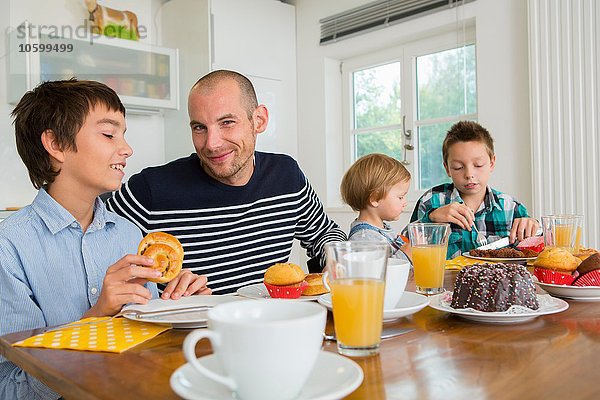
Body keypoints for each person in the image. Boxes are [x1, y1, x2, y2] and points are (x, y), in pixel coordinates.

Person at [0, 79, 209, 399]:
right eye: (109, 134)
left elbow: (146, 347)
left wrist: (179, 312)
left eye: (124, 135)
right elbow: (13, 388)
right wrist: (96, 318)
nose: (127, 149)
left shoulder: (128, 234)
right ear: (55, 145)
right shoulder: (10, 246)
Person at [107, 70, 346, 294]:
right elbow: (92, 257)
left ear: (259, 120)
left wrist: (337, 261)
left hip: (270, 327)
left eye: (227, 123)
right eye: (199, 127)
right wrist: (158, 295)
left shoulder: (287, 175)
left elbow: (324, 233)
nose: (212, 144)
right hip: (186, 335)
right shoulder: (150, 189)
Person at [408, 120, 539, 259]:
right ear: (447, 168)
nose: (469, 174)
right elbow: (403, 252)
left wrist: (535, 227)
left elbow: (535, 256)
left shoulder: (511, 208)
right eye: (458, 167)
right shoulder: (431, 201)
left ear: (491, 163)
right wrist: (430, 219)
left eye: (478, 165)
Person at [340, 153, 412, 262]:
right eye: (400, 197)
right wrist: (405, 255)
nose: (405, 202)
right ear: (374, 199)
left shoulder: (382, 230)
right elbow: (375, 274)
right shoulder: (363, 239)